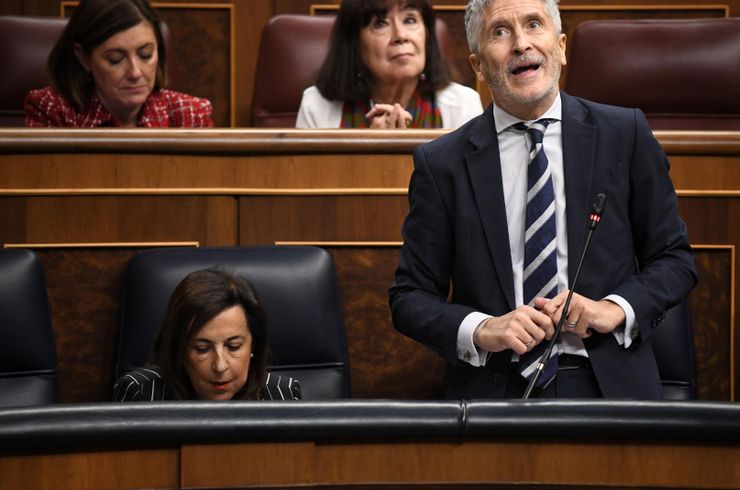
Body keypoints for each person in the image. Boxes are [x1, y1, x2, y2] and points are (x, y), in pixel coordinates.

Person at [389, 0, 697, 399]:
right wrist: (482, 329)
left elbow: (674, 259)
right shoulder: (441, 163)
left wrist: (613, 308)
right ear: (479, 66)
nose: (520, 44)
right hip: (496, 389)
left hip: (608, 385)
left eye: (534, 24)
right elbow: (409, 297)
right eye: (500, 32)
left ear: (562, 46)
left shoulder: (625, 134)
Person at [114, 268, 301, 401]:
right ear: (179, 350)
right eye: (202, 349)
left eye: (233, 346)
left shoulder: (281, 394)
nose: (220, 366)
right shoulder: (141, 393)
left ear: (253, 346)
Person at [25, 0, 213, 127]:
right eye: (115, 59)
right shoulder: (53, 111)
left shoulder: (189, 115)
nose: (135, 72)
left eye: (145, 54)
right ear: (83, 57)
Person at [296, 0, 482, 129]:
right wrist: (369, 149)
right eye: (380, 24)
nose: (400, 36)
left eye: (409, 20)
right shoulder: (317, 106)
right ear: (354, 44)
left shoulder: (462, 105)